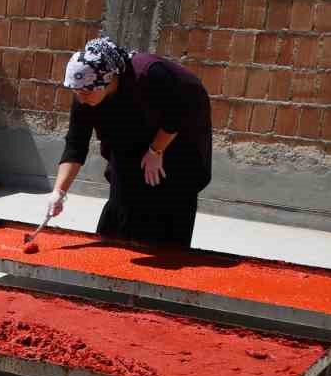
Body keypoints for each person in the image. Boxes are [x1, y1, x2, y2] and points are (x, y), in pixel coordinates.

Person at [43, 37, 213, 247]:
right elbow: (76, 145)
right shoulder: (85, 91)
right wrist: (59, 193)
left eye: (85, 92)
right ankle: (113, 251)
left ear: (108, 79)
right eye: (76, 92)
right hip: (130, 131)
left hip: (181, 134)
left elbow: (177, 113)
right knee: (122, 194)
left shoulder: (149, 73)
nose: (81, 98)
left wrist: (156, 151)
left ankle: (167, 258)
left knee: (171, 195)